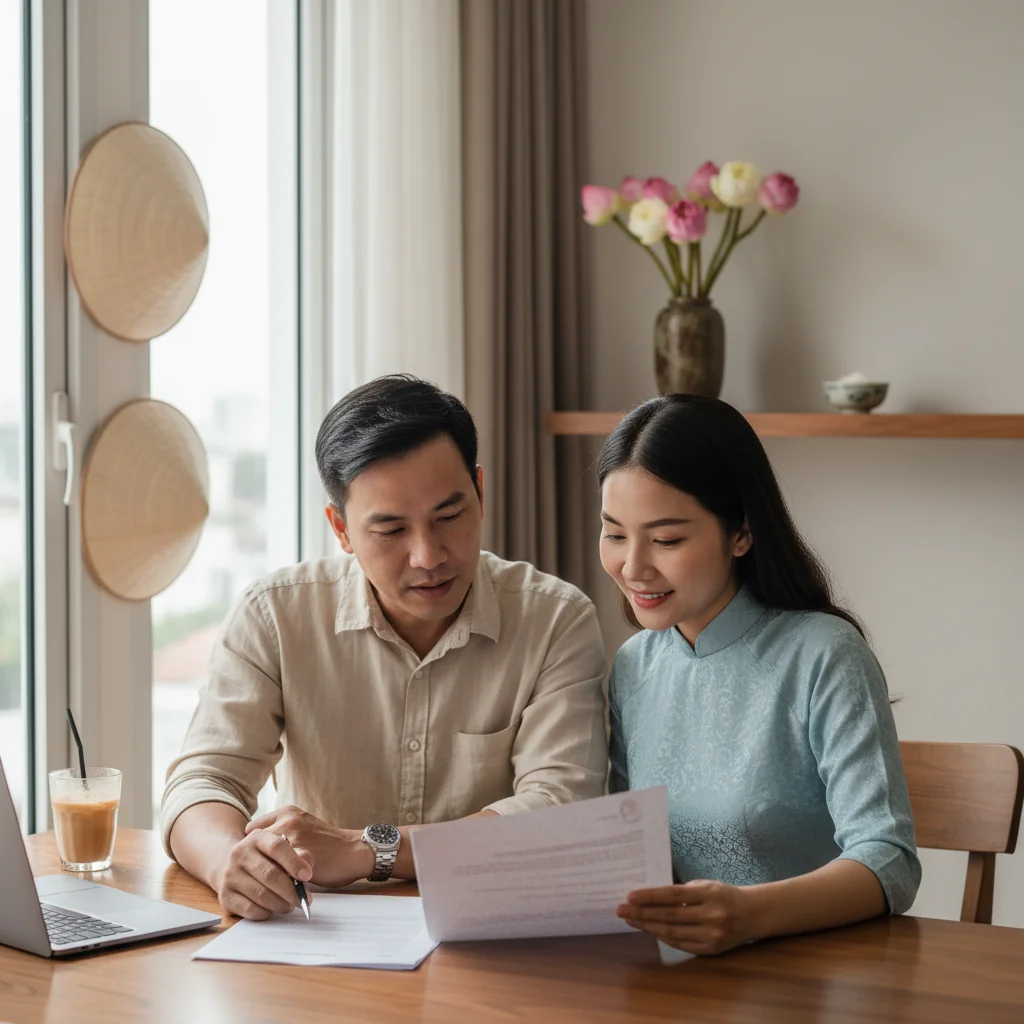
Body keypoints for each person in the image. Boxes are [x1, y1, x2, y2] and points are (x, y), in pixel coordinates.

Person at [162, 375, 607, 920]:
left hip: (491, 938)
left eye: (449, 517)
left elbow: (559, 814)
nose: (427, 555)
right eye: (391, 530)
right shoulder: (275, 614)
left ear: (481, 492)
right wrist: (231, 864)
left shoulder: (555, 620)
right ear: (341, 529)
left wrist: (366, 849)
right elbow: (204, 780)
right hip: (316, 939)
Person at [600, 394, 920, 956]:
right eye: (615, 534)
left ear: (741, 532)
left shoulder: (824, 655)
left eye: (667, 539)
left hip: (816, 976)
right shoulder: (634, 665)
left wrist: (749, 915)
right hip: (680, 983)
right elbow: (630, 848)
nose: (632, 567)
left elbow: (888, 858)